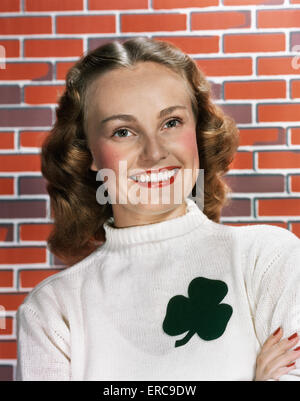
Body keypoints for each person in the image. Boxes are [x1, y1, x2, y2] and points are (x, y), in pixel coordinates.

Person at [16, 37, 300, 381]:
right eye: (123, 131)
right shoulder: (52, 311)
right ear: (87, 152)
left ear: (197, 130)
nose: (153, 153)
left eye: (171, 123)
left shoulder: (267, 259)